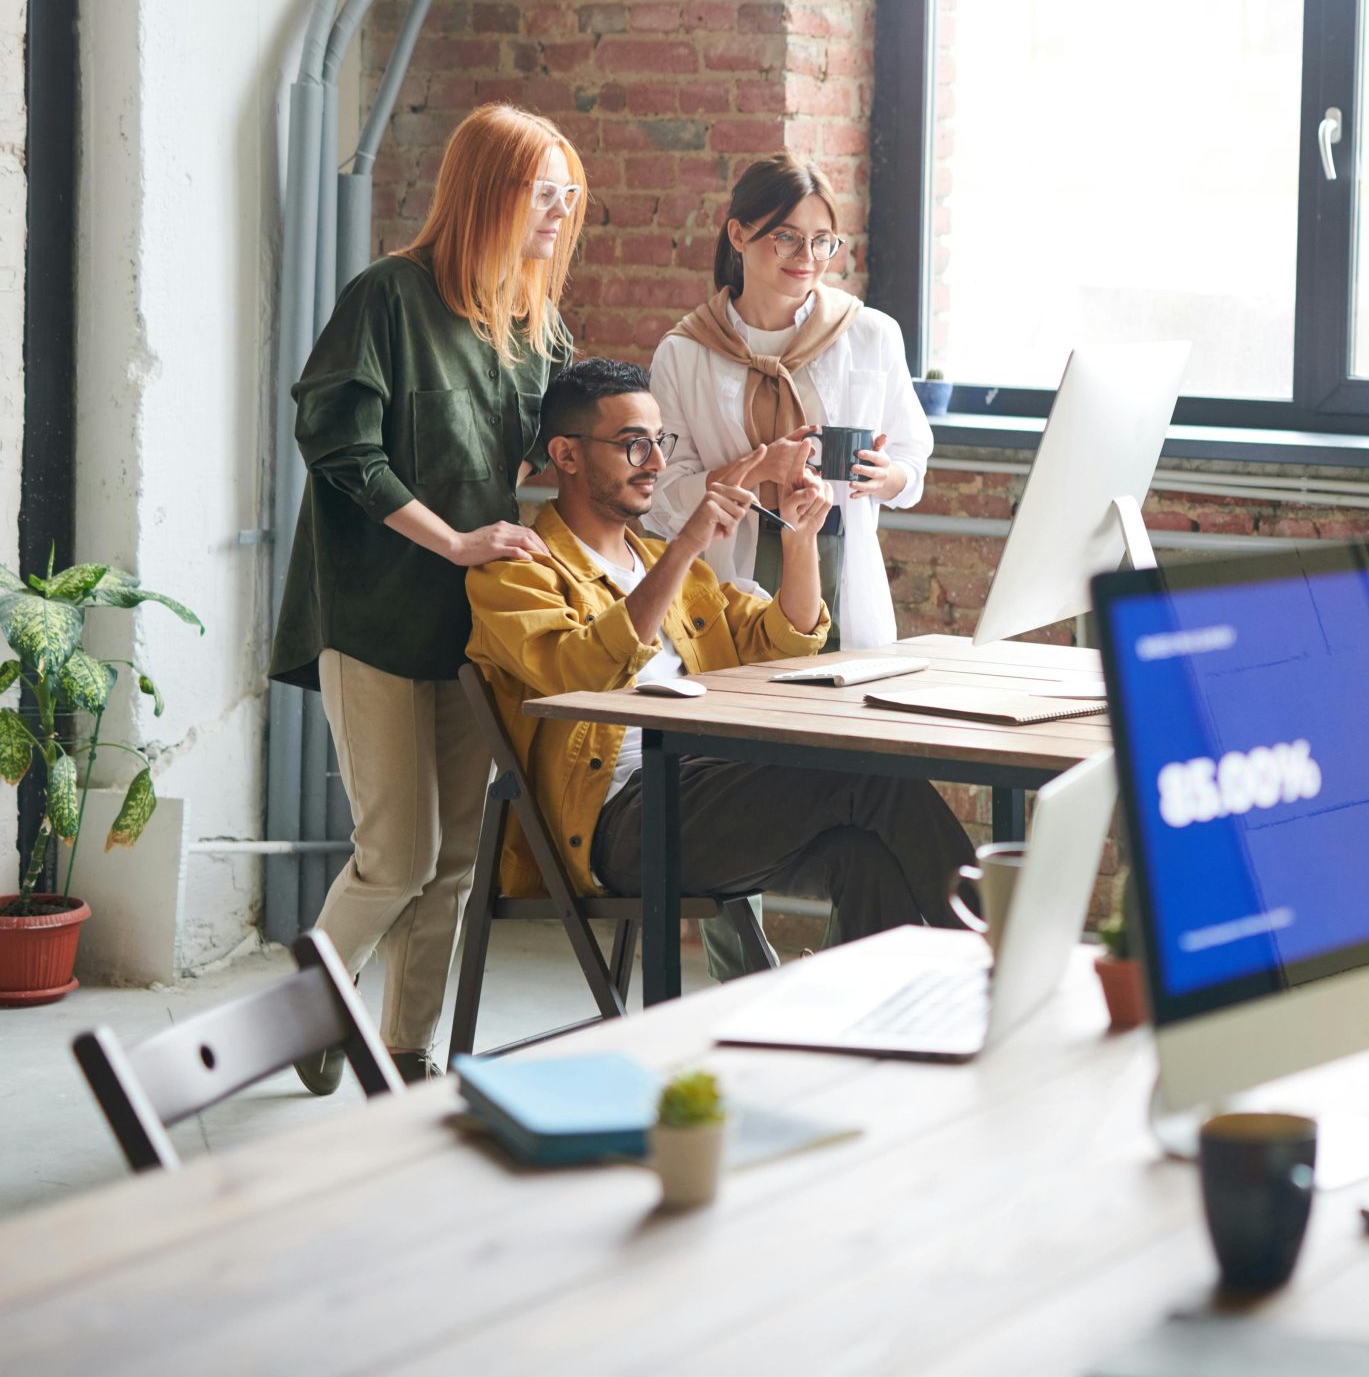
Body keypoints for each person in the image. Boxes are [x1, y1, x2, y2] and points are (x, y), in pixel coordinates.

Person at [271, 103, 584, 1090]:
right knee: (396, 854)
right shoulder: (387, 299)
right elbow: (338, 447)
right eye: (544, 191)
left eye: (570, 195)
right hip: (368, 614)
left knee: (455, 857)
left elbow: (566, 438)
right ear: (488, 189)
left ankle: (405, 1051)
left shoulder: (534, 322)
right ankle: (308, 1015)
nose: (561, 212)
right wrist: (451, 538)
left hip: (469, 631)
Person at [465, 359, 974, 963]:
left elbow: (784, 641)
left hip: (700, 784)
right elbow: (580, 675)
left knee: (863, 859)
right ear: (567, 456)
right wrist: (684, 546)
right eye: (633, 445)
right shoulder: (517, 572)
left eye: (660, 442)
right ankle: (1003, 971)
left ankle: (878, 1036)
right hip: (618, 825)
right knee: (871, 774)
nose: (655, 462)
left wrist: (800, 542)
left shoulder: (667, 565)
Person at [648, 152, 932, 652]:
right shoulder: (685, 351)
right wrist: (757, 469)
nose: (807, 256)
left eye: (822, 241)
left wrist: (885, 476)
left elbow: (911, 463)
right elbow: (664, 497)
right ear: (738, 235)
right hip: (731, 567)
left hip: (840, 556)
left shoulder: (871, 334)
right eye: (786, 237)